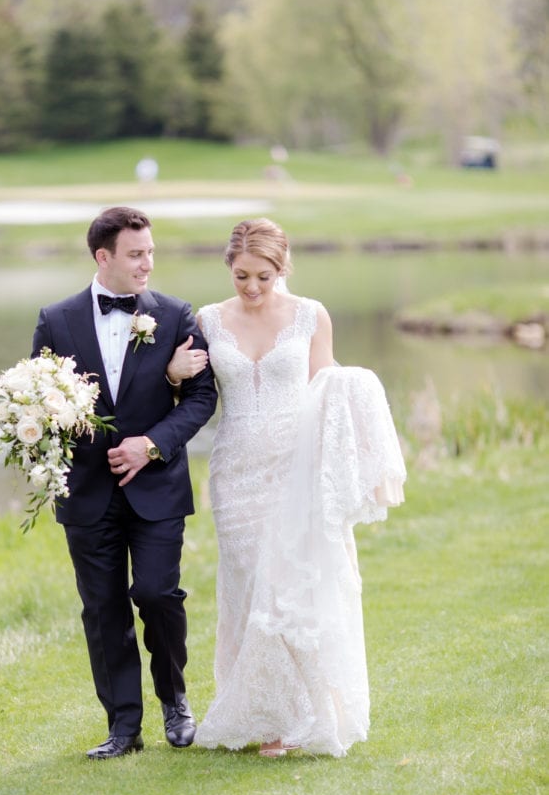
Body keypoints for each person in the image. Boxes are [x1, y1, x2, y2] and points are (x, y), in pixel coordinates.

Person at [167, 218, 406, 757]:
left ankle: (296, 718)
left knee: (290, 586)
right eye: (242, 276)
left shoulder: (309, 316)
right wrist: (174, 374)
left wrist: (359, 396)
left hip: (294, 468)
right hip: (235, 472)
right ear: (228, 267)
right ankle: (264, 713)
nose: (251, 288)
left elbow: (325, 383)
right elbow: (193, 397)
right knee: (250, 587)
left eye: (263, 277)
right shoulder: (207, 320)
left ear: (283, 268)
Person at [32, 206, 217, 759]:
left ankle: (175, 701)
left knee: (158, 594)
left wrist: (152, 443)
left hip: (157, 486)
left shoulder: (177, 314)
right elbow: (40, 398)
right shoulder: (56, 319)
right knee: (103, 608)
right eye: (136, 254)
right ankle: (123, 728)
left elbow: (203, 396)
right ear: (103, 256)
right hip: (87, 493)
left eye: (151, 253)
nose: (147, 264)